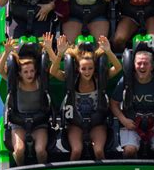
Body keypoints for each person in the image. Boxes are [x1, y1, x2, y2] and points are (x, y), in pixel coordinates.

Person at [45, 33, 122, 161]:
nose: (87, 72)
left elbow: (118, 68)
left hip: (97, 122)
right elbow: (53, 72)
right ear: (78, 69)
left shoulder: (99, 79)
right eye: (84, 68)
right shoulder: (71, 79)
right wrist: (59, 53)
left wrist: (108, 51)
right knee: (76, 151)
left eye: (90, 68)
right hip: (75, 122)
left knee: (98, 151)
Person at [110, 49, 154, 160]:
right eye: (139, 63)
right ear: (134, 65)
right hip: (132, 122)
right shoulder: (126, 81)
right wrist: (123, 120)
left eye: (145, 63)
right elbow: (113, 103)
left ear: (152, 66)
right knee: (129, 151)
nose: (142, 67)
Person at [0, 38, 49, 166]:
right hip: (19, 122)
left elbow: (52, 69)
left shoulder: (39, 81)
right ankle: (21, 169)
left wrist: (48, 49)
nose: (29, 74)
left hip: (39, 121)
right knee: (19, 151)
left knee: (40, 151)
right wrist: (6, 53)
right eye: (26, 72)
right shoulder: (16, 83)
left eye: (31, 71)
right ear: (20, 73)